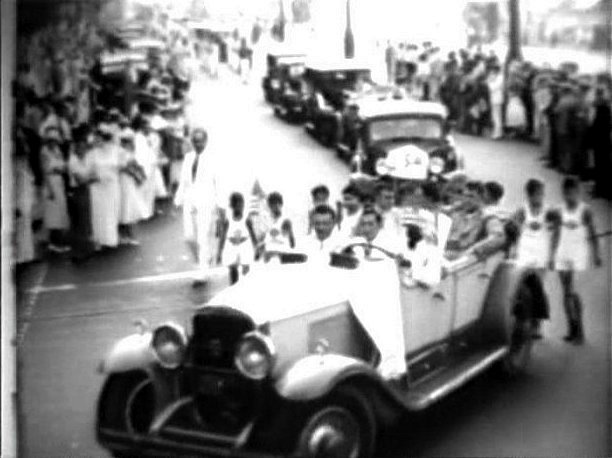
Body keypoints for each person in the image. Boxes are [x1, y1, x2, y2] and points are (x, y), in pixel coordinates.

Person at [550, 177, 602, 344]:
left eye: (572, 193)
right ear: (563, 193)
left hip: (578, 254)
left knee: (572, 292)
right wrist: (551, 255)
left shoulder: (585, 211)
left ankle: (579, 330)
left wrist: (596, 254)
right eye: (566, 193)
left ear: (578, 192)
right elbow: (555, 234)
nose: (569, 196)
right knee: (566, 292)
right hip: (562, 253)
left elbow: (593, 233)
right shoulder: (559, 211)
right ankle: (571, 328)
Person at [174, 128, 223, 286]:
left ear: (206, 141)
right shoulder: (188, 158)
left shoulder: (213, 158)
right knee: (189, 237)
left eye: (200, 141)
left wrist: (221, 205)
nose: (197, 144)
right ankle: (202, 259)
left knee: (203, 237)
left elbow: (219, 182)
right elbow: (183, 181)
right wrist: (178, 200)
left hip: (206, 202)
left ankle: (202, 272)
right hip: (189, 201)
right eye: (195, 141)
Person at [513, 179, 556, 338]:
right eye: (538, 194)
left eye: (542, 194)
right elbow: (513, 226)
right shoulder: (522, 211)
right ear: (530, 195)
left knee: (538, 287)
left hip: (541, 254)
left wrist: (553, 255)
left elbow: (559, 228)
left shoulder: (549, 212)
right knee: (523, 288)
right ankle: (524, 319)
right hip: (524, 253)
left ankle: (538, 325)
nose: (541, 197)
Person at [89, 124, 122, 250]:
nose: (96, 141)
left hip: (111, 185)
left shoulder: (115, 150)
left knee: (111, 211)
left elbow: (119, 166)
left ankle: (111, 239)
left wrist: (109, 175)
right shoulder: (92, 153)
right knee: (98, 213)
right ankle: (99, 240)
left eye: (99, 139)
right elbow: (90, 169)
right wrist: (95, 177)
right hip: (97, 186)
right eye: (95, 139)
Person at [67, 124, 96, 261]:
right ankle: (79, 252)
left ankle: (86, 249)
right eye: (82, 147)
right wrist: (91, 178)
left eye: (85, 147)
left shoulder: (84, 158)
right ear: (77, 147)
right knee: (79, 223)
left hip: (84, 191)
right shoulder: (73, 161)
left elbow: (91, 175)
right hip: (78, 192)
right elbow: (81, 180)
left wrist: (90, 178)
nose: (84, 150)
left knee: (85, 221)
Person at [40, 127, 71, 253]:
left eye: (55, 141)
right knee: (53, 214)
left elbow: (63, 166)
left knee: (60, 213)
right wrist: (50, 189)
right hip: (50, 184)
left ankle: (57, 241)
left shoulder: (57, 150)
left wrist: (61, 170)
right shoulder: (44, 152)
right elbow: (44, 172)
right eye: (51, 141)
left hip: (59, 181)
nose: (54, 143)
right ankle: (55, 243)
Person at [218, 192, 257, 285]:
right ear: (232, 206)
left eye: (241, 205)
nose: (240, 208)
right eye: (237, 206)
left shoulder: (246, 219)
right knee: (232, 268)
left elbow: (252, 234)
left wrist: (257, 248)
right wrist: (220, 251)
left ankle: (246, 285)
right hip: (232, 246)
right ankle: (233, 286)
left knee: (246, 269)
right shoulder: (228, 220)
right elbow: (223, 236)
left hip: (244, 245)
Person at [118, 128, 147, 245]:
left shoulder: (129, 152)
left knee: (130, 204)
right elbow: (124, 167)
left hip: (128, 180)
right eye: (129, 141)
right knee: (127, 205)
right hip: (124, 180)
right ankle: (129, 234)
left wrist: (137, 174)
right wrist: (135, 174)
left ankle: (128, 233)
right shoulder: (121, 153)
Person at [589, 87, 612, 199]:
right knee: (602, 166)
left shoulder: (602, 110)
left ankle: (600, 190)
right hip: (604, 142)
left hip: (601, 142)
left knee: (600, 166)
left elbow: (595, 127)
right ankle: (601, 189)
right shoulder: (604, 109)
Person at [487, 64, 504, 139]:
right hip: (495, 99)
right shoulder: (497, 77)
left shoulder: (500, 77)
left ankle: (497, 134)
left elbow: (493, 88)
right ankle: (498, 132)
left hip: (497, 99)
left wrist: (489, 82)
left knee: (496, 117)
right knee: (496, 117)